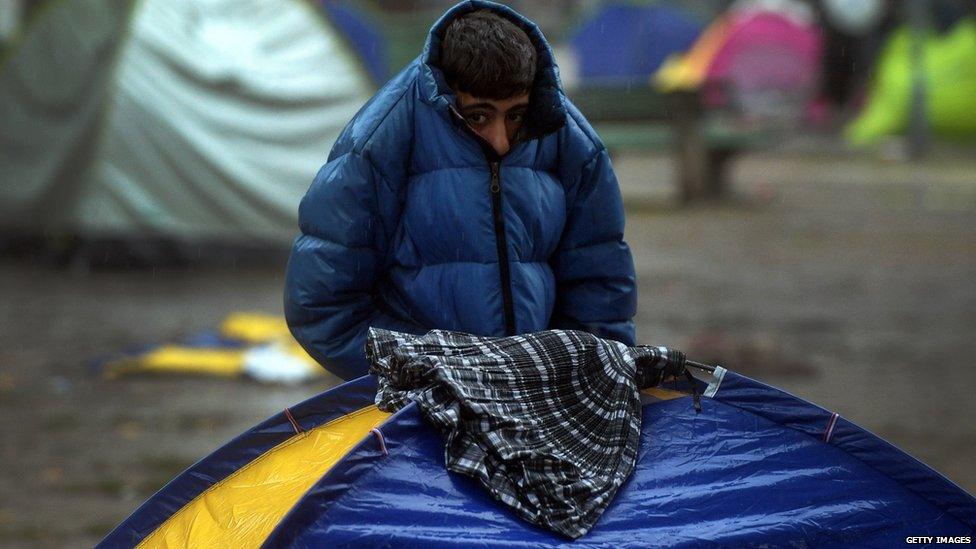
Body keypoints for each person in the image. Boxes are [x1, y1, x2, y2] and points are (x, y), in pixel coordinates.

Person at [285, 1, 636, 379]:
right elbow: (321, 306)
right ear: (449, 96)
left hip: (538, 395)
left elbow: (600, 293)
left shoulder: (569, 142)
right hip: (419, 404)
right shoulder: (378, 143)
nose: (501, 141)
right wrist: (429, 370)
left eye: (516, 115)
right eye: (478, 117)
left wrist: (572, 378)